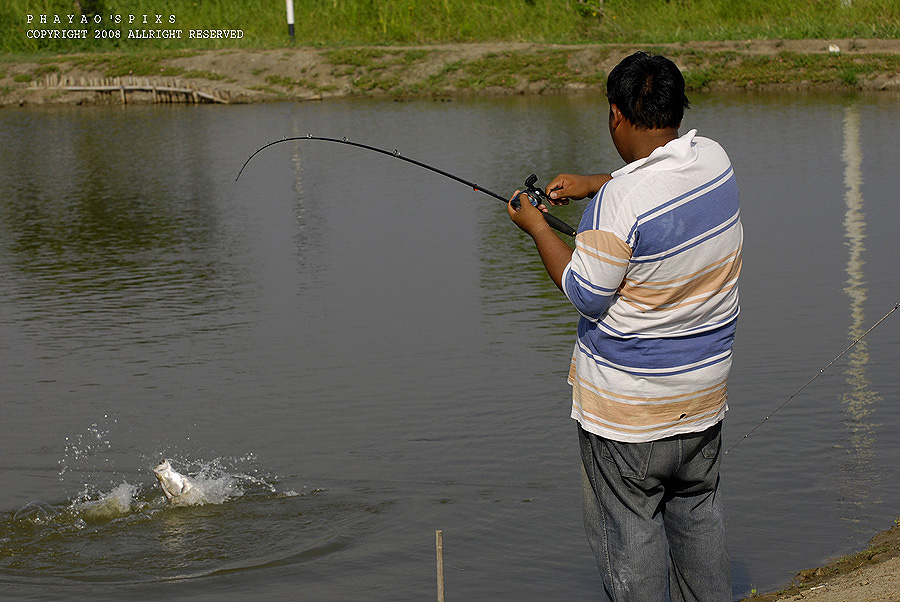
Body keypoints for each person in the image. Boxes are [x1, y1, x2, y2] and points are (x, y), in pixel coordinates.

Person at [508, 51, 742, 602]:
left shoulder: (620, 204)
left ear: (616, 114)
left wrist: (537, 226)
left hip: (627, 419)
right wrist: (595, 182)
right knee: (699, 516)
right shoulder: (715, 159)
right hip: (704, 401)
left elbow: (585, 293)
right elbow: (655, 179)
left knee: (630, 538)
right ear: (677, 107)